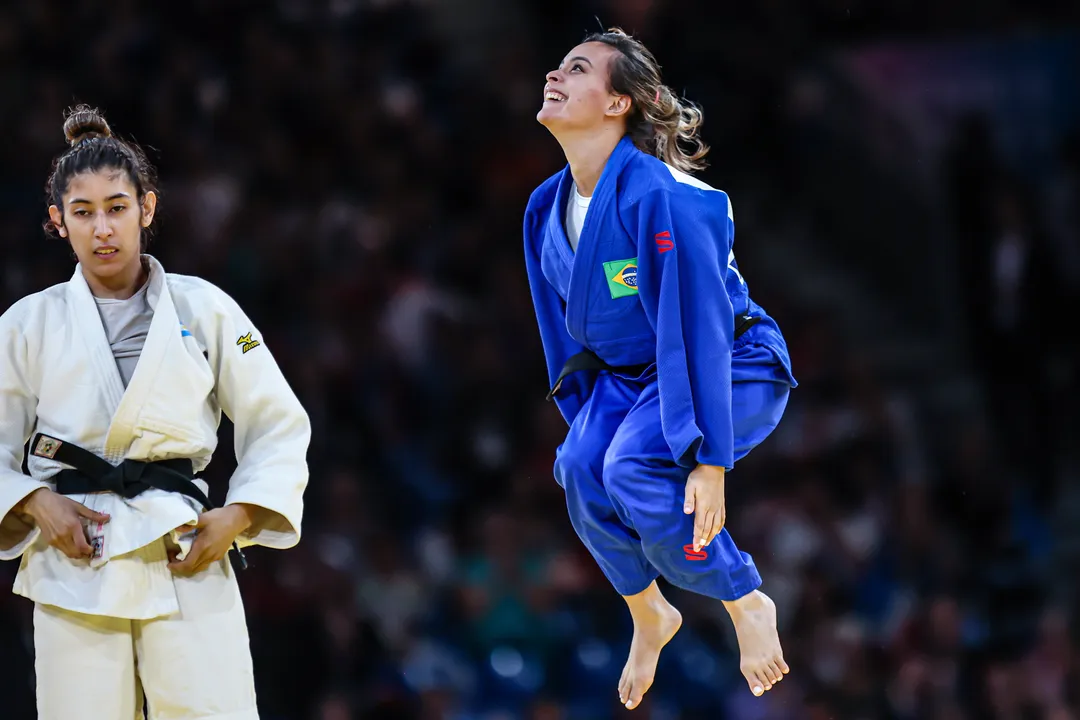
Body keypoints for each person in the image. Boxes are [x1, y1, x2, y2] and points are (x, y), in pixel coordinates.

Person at [0, 105, 311, 719]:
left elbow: (277, 420)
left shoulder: (210, 309)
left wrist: (240, 515)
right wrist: (34, 502)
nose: (102, 229)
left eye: (117, 208)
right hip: (73, 557)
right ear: (58, 222)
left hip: (185, 548)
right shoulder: (26, 323)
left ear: (146, 208)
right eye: (83, 213)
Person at [524, 29, 797, 709]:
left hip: (731, 365)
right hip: (632, 379)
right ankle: (651, 611)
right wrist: (587, 418)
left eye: (578, 69)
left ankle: (744, 600)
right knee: (582, 468)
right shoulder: (542, 211)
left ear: (620, 102)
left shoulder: (669, 199)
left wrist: (709, 459)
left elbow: (694, 327)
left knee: (632, 468)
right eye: (557, 66)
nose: (555, 76)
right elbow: (567, 342)